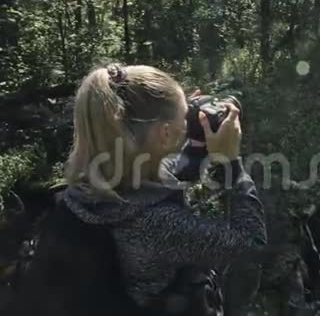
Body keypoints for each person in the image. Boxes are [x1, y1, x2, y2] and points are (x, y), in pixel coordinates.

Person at [4, 64, 267, 316]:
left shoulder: (92, 183)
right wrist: (231, 162)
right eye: (183, 118)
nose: (187, 121)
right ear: (164, 134)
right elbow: (251, 242)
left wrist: (196, 141)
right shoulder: (156, 224)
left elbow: (161, 182)